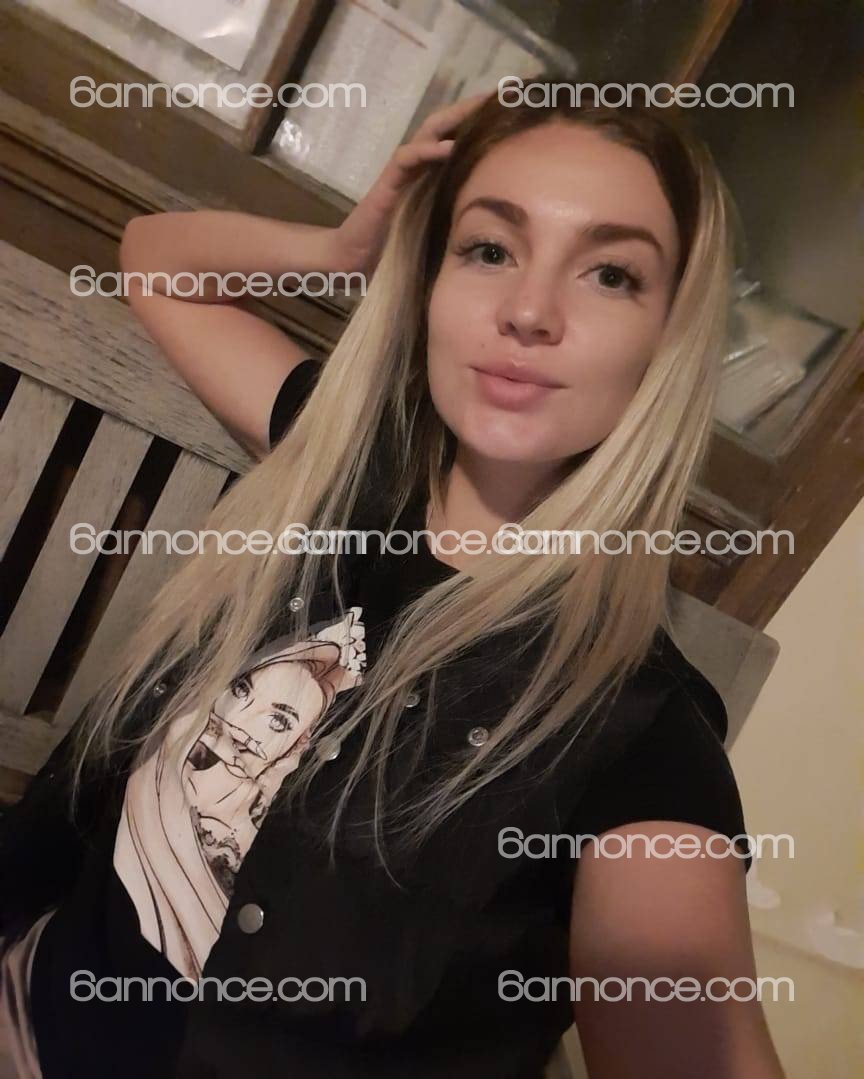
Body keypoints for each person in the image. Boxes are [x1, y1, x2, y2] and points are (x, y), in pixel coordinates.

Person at [0, 79, 785, 1078]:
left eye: (611, 274)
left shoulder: (641, 743)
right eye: (489, 249)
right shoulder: (345, 470)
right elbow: (156, 261)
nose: (529, 310)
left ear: (667, 339)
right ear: (430, 279)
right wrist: (345, 248)